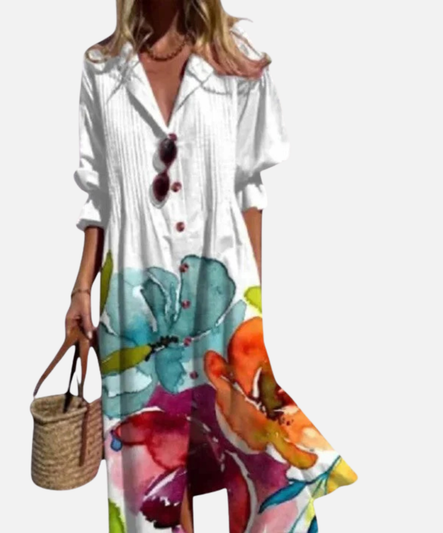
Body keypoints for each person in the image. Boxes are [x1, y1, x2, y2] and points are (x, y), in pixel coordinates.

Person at [65, 1, 358, 531]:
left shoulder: (236, 62)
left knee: (259, 453)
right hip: (135, 298)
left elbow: (250, 189)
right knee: (149, 471)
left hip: (223, 289)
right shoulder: (102, 68)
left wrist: (255, 295)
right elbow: (98, 194)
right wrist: (81, 289)